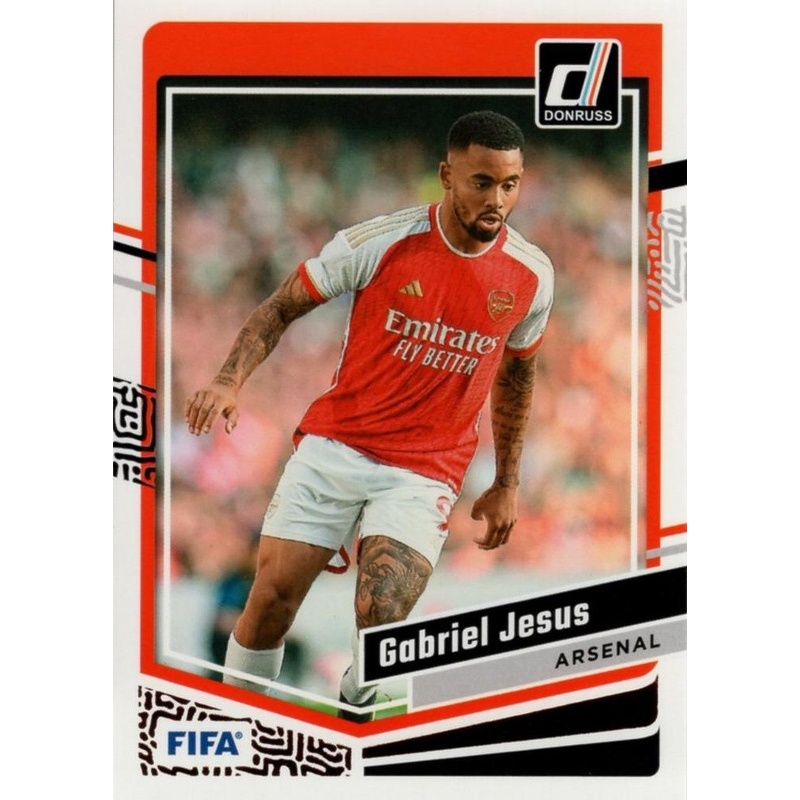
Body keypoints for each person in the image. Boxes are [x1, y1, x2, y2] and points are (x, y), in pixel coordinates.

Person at [184, 110, 555, 721]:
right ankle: (241, 728)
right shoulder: (380, 241)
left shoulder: (531, 275)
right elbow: (281, 306)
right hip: (336, 447)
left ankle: (354, 717)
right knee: (270, 603)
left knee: (382, 618)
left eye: (510, 184)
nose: (497, 199)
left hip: (425, 471)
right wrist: (228, 379)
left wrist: (507, 481)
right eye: (481, 182)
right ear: (447, 176)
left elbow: (517, 376)